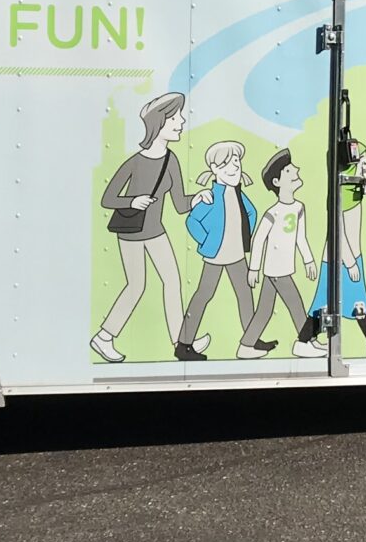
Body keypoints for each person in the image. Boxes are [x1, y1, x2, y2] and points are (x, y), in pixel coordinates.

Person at [92, 92, 191, 362]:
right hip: (132, 233)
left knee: (172, 282)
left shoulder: (171, 161)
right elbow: (107, 198)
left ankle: (180, 343)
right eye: (175, 117)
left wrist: (200, 197)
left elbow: (180, 204)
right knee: (136, 286)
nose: (181, 121)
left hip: (156, 232)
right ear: (159, 123)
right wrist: (133, 201)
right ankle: (104, 337)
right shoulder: (135, 162)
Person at [294, 136, 366, 358]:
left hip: (347, 256)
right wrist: (351, 262)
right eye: (363, 160)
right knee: (343, 301)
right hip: (341, 258)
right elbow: (339, 231)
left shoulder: (350, 192)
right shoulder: (342, 194)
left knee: (350, 301)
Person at [176, 140, 261, 360]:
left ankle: (251, 339)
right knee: (203, 295)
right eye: (227, 164)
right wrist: (206, 241)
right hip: (215, 255)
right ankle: (184, 344)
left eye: (237, 162)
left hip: (236, 255)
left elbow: (252, 213)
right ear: (214, 169)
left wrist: (245, 236)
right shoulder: (211, 196)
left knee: (245, 295)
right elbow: (192, 221)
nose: (234, 167)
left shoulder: (238, 193)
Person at [241, 151, 315, 359]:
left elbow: (301, 238)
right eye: (289, 170)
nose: (296, 171)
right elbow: (258, 240)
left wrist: (308, 260)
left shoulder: (299, 208)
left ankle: (246, 345)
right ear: (277, 181)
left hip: (282, 268)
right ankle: (305, 342)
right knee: (295, 304)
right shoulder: (273, 213)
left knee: (264, 310)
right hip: (275, 269)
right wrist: (253, 268)